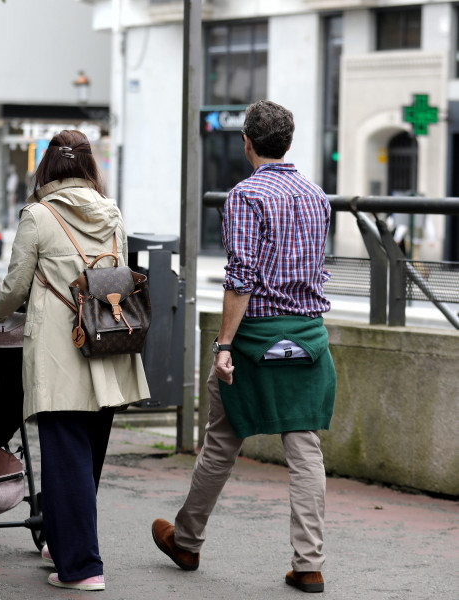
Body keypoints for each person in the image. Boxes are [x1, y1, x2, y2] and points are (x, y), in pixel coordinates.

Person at [150, 100, 337, 594]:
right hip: (308, 339)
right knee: (305, 450)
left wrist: (224, 345)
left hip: (254, 340)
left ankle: (187, 541)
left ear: (246, 142)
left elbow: (241, 280)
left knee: (221, 441)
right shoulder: (318, 196)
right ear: (289, 143)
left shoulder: (244, 196)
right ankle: (309, 563)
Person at [0, 129, 150, 592]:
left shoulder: (38, 215)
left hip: (61, 355)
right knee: (85, 461)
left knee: (65, 461)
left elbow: (16, 287)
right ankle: (59, 543)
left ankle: (81, 567)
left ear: (47, 167)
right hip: (109, 346)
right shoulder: (112, 213)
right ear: (88, 167)